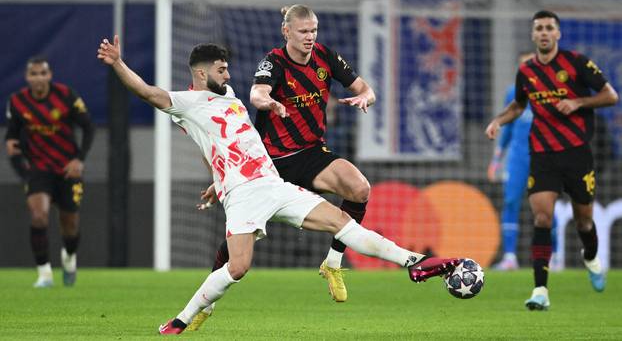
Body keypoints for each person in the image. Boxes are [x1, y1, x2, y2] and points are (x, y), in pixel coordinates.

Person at [97, 35, 460, 335]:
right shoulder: (187, 102)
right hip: (242, 195)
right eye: (220, 69)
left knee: (341, 222)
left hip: (273, 183)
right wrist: (117, 63)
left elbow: (224, 145)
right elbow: (146, 92)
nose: (226, 73)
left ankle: (415, 261)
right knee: (238, 267)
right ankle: (181, 320)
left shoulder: (227, 96)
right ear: (201, 72)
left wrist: (215, 177)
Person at [196, 4, 375, 321]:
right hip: (268, 163)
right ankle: (206, 302)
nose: (310, 37)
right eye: (304, 31)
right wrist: (270, 102)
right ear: (286, 32)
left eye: (314, 30)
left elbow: (364, 88)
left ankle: (332, 264)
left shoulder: (325, 57)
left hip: (310, 154)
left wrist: (365, 96)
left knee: (359, 188)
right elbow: (256, 93)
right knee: (240, 238)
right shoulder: (273, 61)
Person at [485, 10, 618, 310]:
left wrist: (579, 102)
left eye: (549, 28)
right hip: (542, 154)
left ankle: (591, 257)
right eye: (539, 28)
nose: (544, 33)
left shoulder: (577, 63)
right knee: (542, 217)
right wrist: (498, 121)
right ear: (533, 35)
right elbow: (518, 106)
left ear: (557, 34)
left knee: (584, 221)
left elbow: (610, 95)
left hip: (576, 153)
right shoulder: (527, 72)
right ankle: (540, 291)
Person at [4, 56, 95, 288]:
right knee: (38, 216)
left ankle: (69, 257)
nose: (38, 78)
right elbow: (11, 141)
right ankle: (44, 274)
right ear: (27, 77)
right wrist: (24, 173)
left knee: (70, 224)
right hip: (38, 169)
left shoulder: (66, 96)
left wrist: (79, 160)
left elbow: (88, 127)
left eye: (42, 73)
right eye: (33, 74)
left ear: (49, 75)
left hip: (67, 169)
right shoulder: (17, 102)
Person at [488, 52, 561, 272]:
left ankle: (554, 256)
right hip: (518, 158)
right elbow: (508, 127)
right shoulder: (513, 92)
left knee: (547, 207)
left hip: (544, 157)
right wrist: (496, 159)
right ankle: (510, 257)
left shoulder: (552, 93)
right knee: (510, 202)